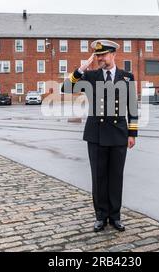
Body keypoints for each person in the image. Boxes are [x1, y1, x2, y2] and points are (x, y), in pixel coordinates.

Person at [62, 40, 139, 233]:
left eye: (102, 55)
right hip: (96, 135)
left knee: (116, 177)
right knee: (99, 178)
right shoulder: (91, 76)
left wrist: (132, 133)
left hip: (119, 134)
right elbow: (66, 88)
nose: (99, 59)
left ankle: (115, 216)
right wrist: (81, 68)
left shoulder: (127, 78)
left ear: (113, 55)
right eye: (97, 56)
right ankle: (100, 216)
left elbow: (132, 107)